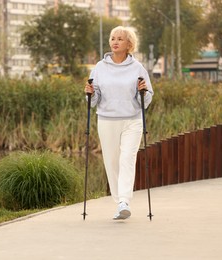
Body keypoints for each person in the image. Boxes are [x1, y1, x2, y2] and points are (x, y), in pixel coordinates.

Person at [84, 26, 153, 220]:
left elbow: (146, 100)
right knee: (112, 162)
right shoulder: (99, 67)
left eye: (120, 39)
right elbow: (94, 101)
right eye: (113, 38)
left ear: (128, 44)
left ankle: (124, 201)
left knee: (127, 159)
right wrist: (89, 93)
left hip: (132, 120)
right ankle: (118, 201)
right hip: (107, 120)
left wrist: (144, 91)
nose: (115, 41)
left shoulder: (138, 68)